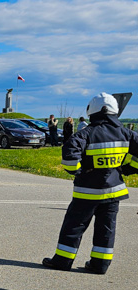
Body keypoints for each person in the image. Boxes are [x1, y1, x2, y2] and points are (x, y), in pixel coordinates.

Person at [43, 93, 138, 275]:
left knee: (73, 227)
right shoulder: (127, 133)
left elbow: (70, 160)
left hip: (87, 192)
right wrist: (126, 168)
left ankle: (62, 261)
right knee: (106, 229)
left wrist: (82, 171)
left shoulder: (85, 134)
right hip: (113, 193)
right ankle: (99, 265)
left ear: (91, 111)